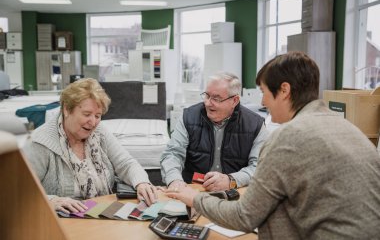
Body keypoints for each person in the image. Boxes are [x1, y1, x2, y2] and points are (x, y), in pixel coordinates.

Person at [166, 52, 380, 239]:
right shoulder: (349, 129)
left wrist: (195, 199)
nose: (262, 103)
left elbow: (245, 216)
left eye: (264, 92)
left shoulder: (288, 138)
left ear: (284, 90)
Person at [25, 78, 158, 214]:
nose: (93, 122)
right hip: (61, 223)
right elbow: (19, 193)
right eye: (87, 114)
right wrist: (51, 201)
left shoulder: (99, 132)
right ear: (66, 109)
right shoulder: (41, 142)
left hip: (102, 213)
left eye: (98, 115)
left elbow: (126, 163)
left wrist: (141, 182)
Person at [161, 73, 268, 191]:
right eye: (207, 96)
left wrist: (232, 180)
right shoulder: (189, 117)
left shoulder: (255, 125)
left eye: (216, 99)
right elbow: (172, 154)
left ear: (234, 100)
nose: (208, 103)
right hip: (193, 191)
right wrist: (174, 180)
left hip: (234, 193)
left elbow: (259, 167)